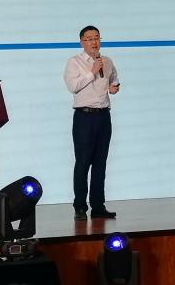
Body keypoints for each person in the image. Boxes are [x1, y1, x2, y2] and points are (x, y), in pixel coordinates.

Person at [63, 25, 120, 220]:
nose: (94, 42)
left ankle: (98, 206)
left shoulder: (107, 61)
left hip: (104, 116)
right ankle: (80, 206)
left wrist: (114, 87)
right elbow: (73, 86)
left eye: (97, 38)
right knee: (83, 162)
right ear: (82, 42)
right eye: (89, 39)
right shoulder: (74, 62)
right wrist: (92, 72)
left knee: (100, 163)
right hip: (84, 117)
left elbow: (114, 79)